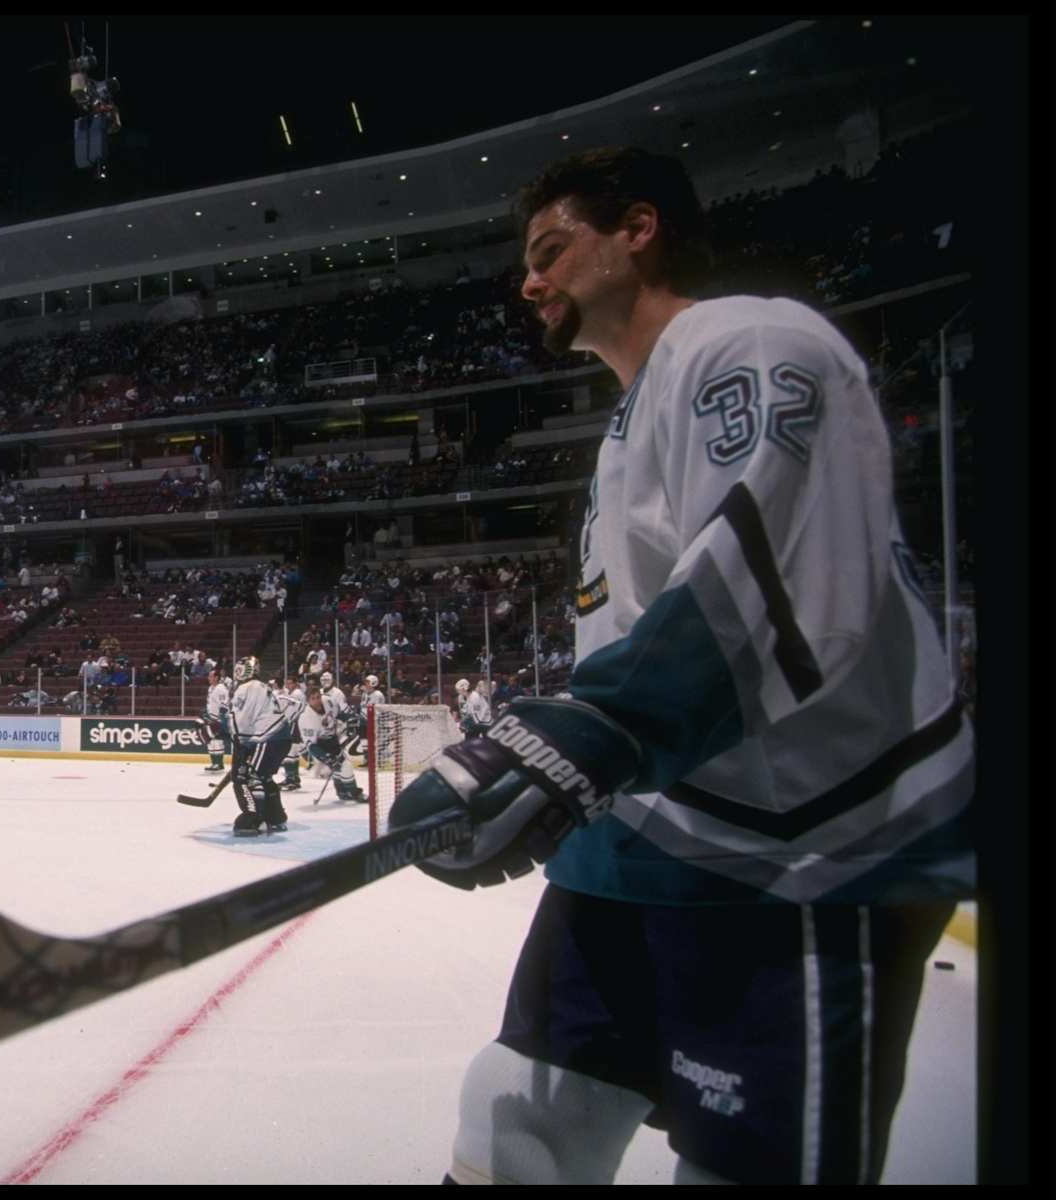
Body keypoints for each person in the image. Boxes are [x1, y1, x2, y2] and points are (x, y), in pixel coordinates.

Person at [387, 146, 973, 1186]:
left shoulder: (749, 340)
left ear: (638, 230)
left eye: (553, 249)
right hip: (649, 841)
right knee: (513, 1116)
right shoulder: (622, 439)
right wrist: (557, 749)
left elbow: (773, 570)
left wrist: (596, 730)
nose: (529, 281)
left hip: (806, 851)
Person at [225, 656, 303, 835]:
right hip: (280, 737)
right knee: (264, 777)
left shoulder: (245, 688)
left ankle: (254, 819)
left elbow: (240, 723)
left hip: (268, 738)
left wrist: (222, 729)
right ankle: (276, 818)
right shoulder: (261, 687)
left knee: (248, 776)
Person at [300, 687, 363, 803]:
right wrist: (326, 757)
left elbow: (338, 714)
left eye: (318, 697)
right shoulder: (306, 718)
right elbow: (311, 745)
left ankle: (342, 792)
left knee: (338, 767)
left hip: (332, 739)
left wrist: (350, 719)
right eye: (313, 699)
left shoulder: (328, 700)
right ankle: (354, 792)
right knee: (345, 765)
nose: (317, 700)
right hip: (319, 745)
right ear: (308, 701)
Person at [279, 674, 307, 791]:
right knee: (292, 752)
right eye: (287, 683)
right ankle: (293, 778)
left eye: (290, 683)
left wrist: (289, 721)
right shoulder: (292, 694)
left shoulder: (297, 694)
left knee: (290, 752)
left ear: (295, 683)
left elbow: (298, 709)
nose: (288, 685)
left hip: (294, 725)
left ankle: (291, 779)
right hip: (294, 724)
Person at [201, 667, 231, 773]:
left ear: (216, 677)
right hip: (211, 717)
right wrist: (206, 712)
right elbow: (210, 702)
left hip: (218, 718)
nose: (209, 678)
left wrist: (221, 718)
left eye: (211, 676)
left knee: (217, 740)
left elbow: (224, 703)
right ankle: (214, 762)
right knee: (211, 740)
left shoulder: (221, 688)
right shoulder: (211, 688)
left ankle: (219, 763)